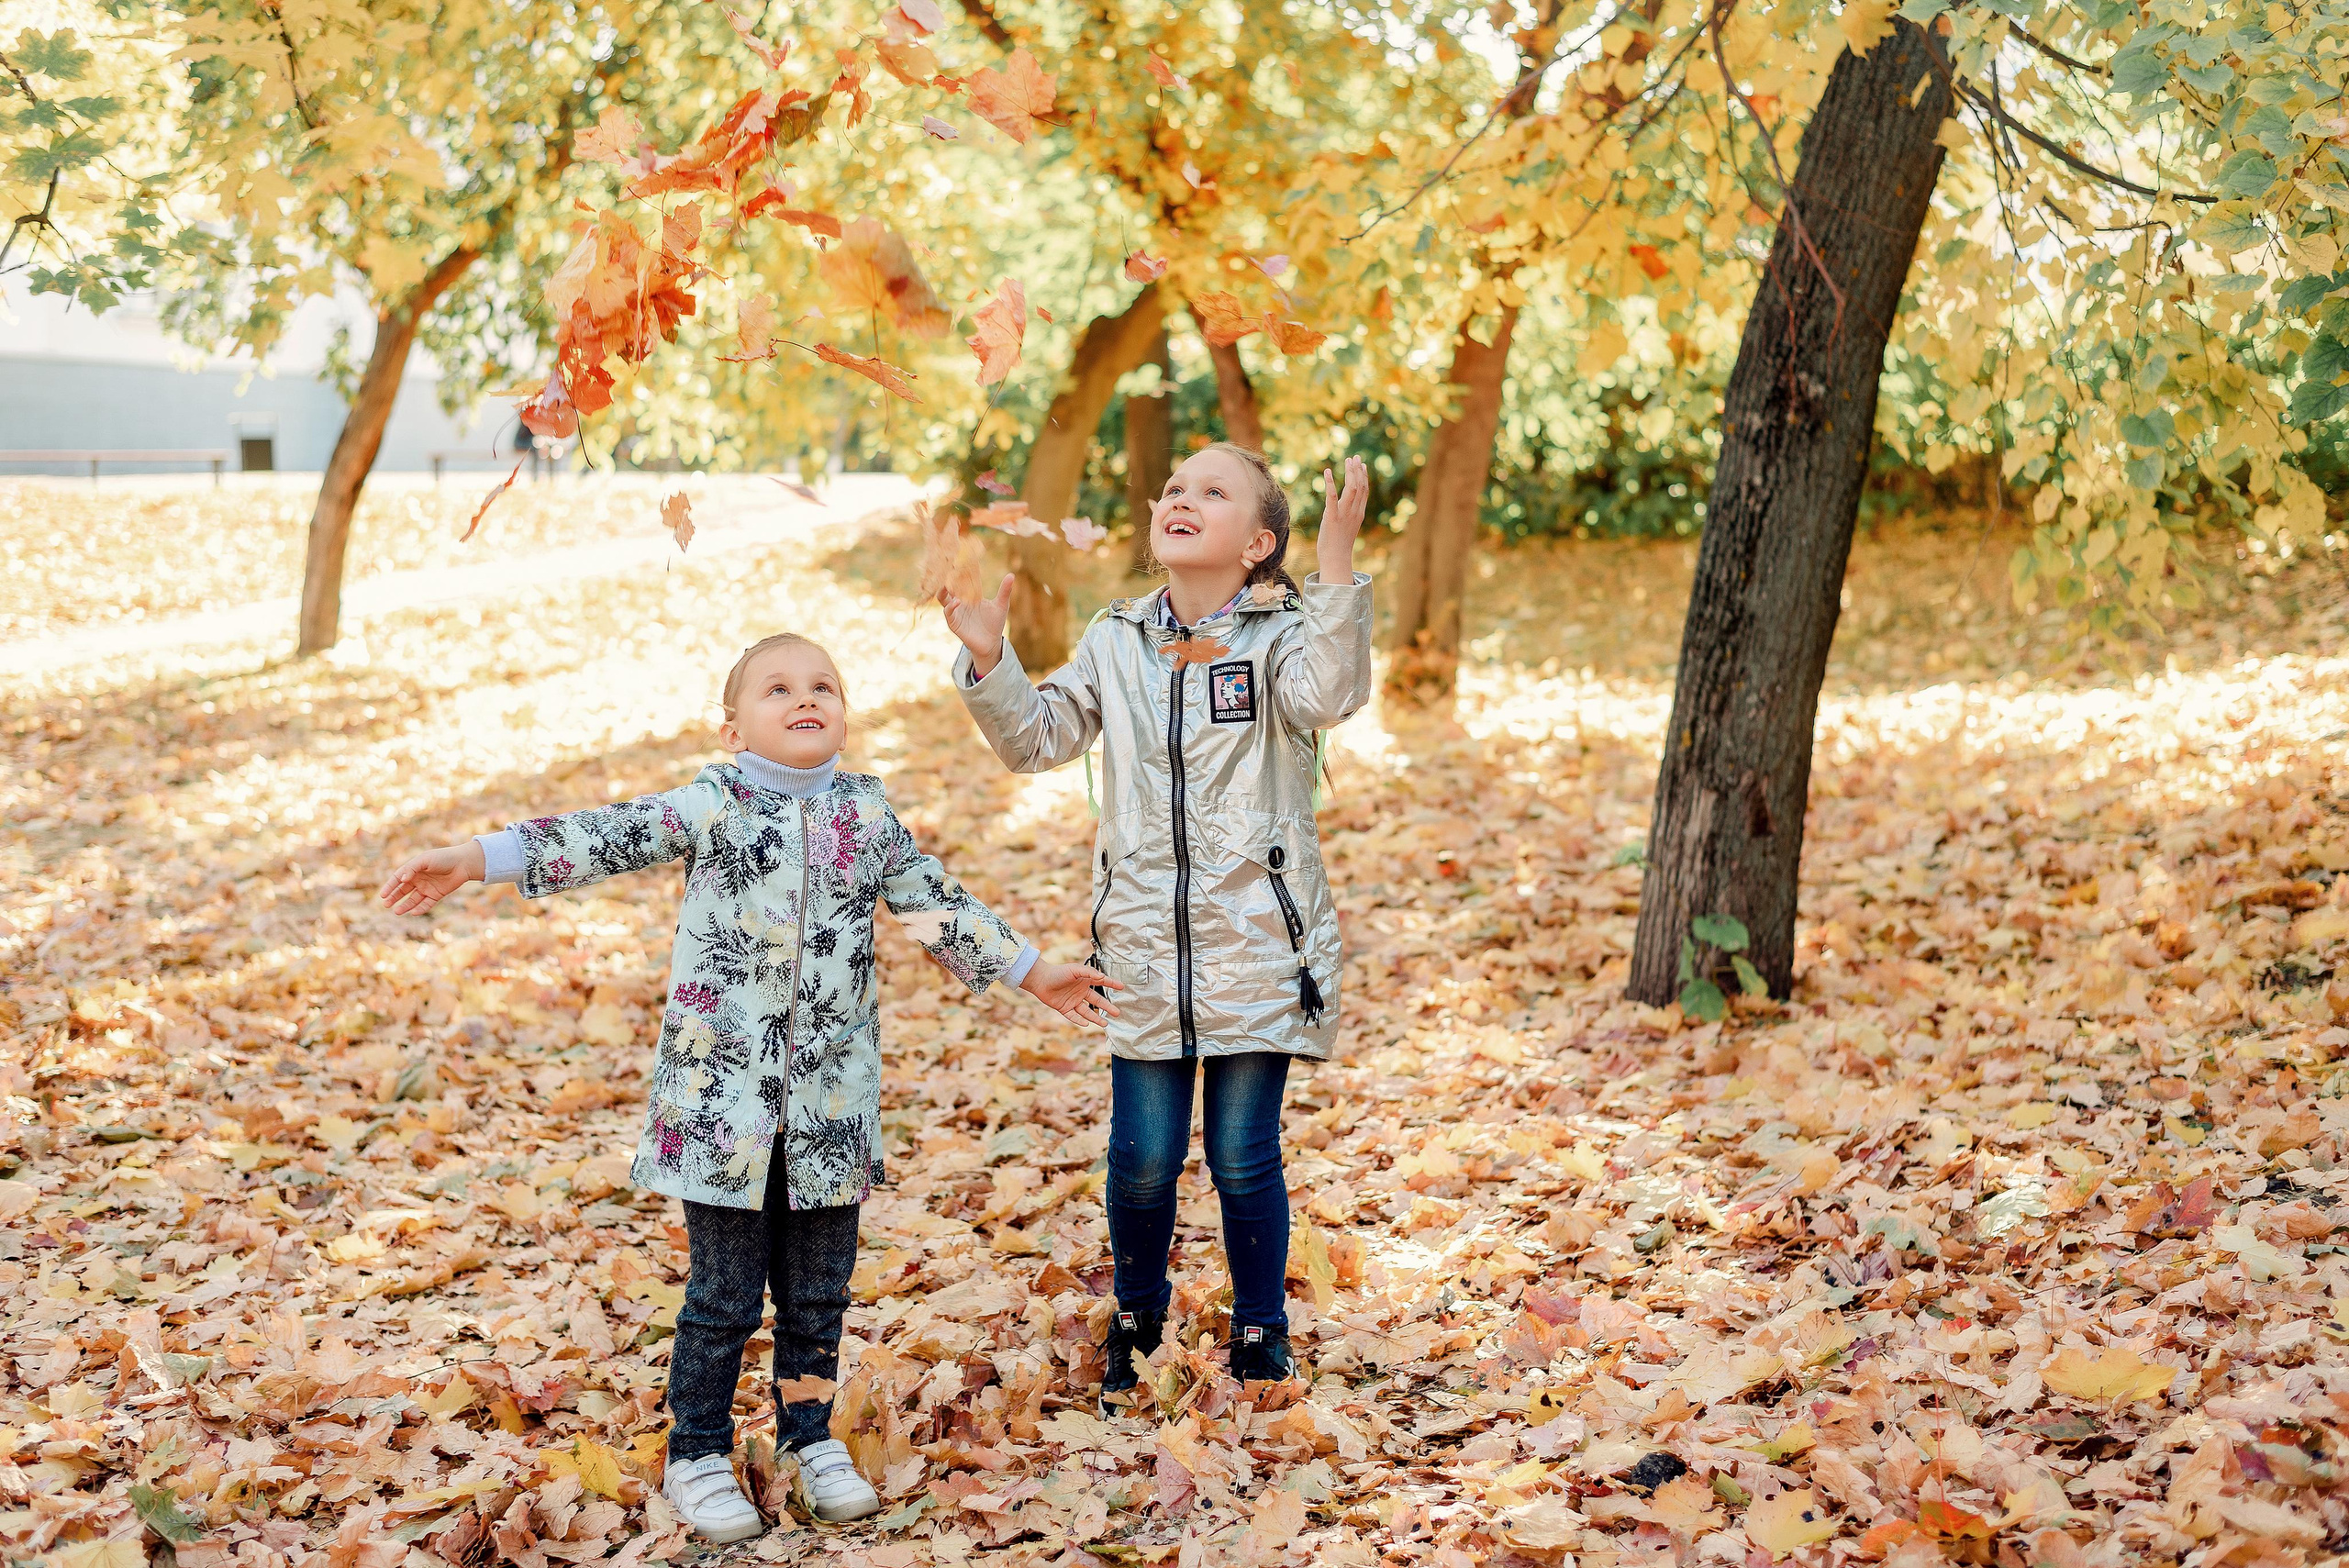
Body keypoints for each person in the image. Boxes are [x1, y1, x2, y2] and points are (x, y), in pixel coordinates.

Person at [376, 633, 1117, 1541]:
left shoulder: (866, 818)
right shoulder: (711, 804)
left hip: (830, 1112)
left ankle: (809, 1432)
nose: (805, 697)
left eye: (823, 685)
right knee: (722, 1297)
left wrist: (1033, 971)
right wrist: (477, 854)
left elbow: (936, 904)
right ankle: (696, 1449)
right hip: (721, 1107)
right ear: (734, 727)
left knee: (818, 1298)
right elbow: (605, 834)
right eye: (777, 688)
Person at [941, 445, 1372, 1406]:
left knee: (1240, 1152)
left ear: (1257, 543)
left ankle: (1262, 1329)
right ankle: (1136, 1316)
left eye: (1211, 492)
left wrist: (1337, 564)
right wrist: (987, 660)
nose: (1181, 497)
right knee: (1139, 1157)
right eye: (1174, 486)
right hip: (1139, 945)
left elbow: (1331, 693)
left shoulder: (1279, 637)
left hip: (1259, 945)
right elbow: (1037, 739)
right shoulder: (1114, 637)